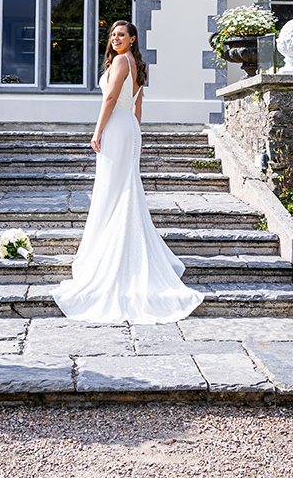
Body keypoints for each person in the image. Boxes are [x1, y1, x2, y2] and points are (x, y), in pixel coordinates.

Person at [54, 20, 203, 324]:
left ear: (133, 39)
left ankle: (112, 255)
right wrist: (139, 135)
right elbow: (138, 105)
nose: (115, 38)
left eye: (121, 34)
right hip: (129, 128)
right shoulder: (135, 64)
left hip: (117, 128)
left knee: (113, 190)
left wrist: (97, 132)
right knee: (123, 188)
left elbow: (111, 99)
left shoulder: (122, 61)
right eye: (113, 34)